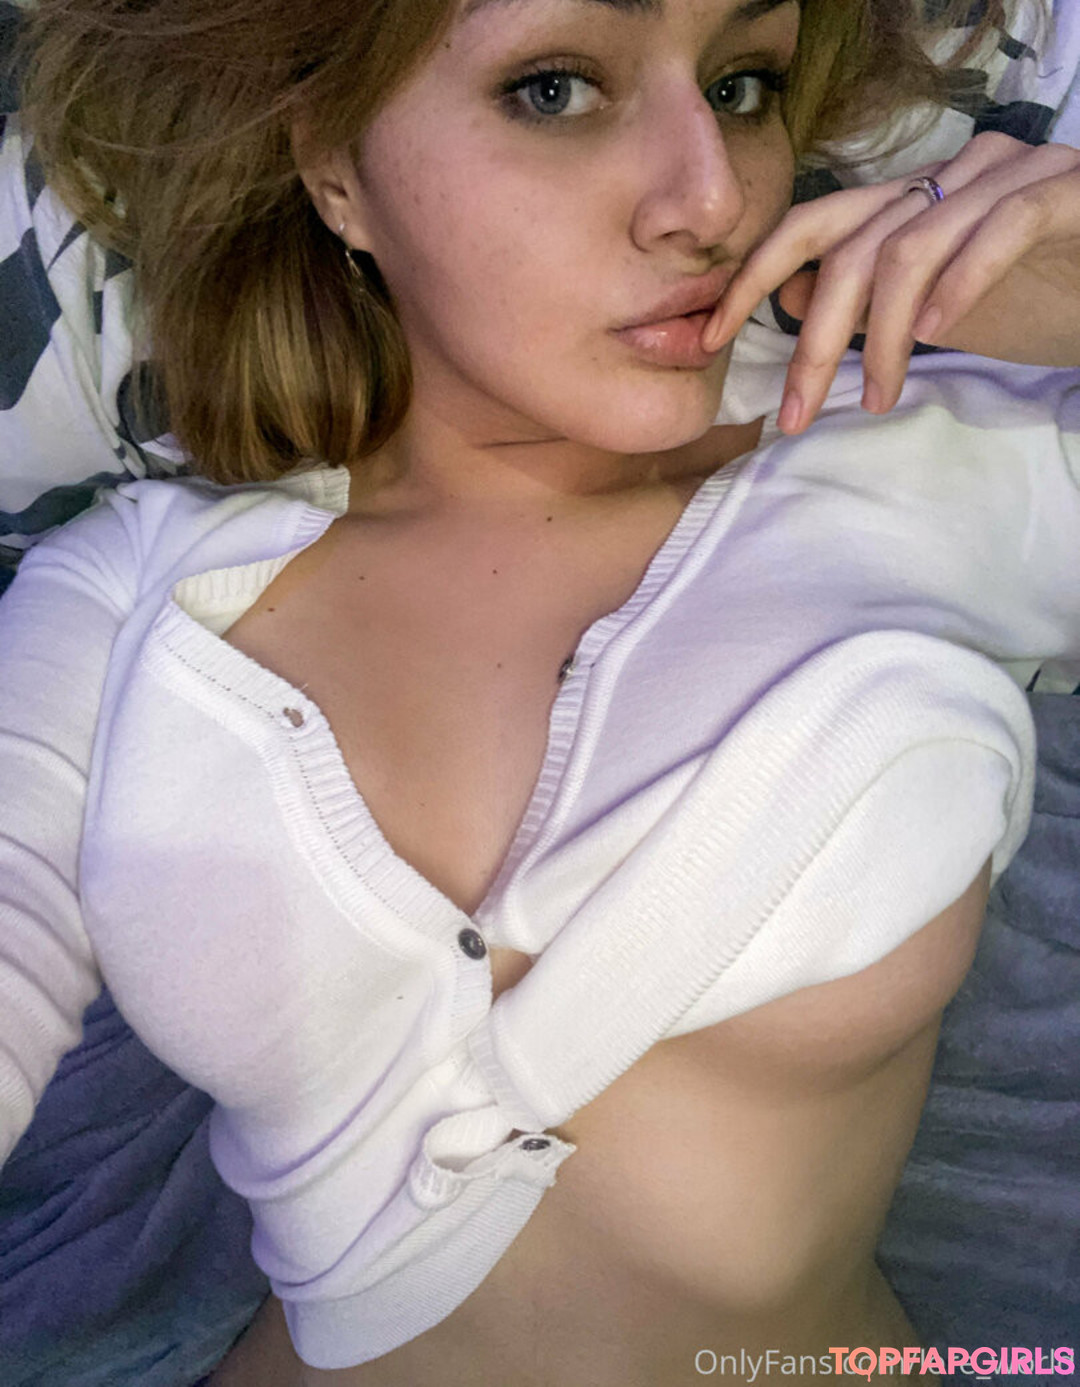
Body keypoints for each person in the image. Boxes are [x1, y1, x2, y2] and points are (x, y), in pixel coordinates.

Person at [1, 1, 1078, 1385]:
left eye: (742, 86)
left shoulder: (949, 471)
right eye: (555, 89)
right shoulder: (133, 594)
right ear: (335, 168)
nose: (710, 201)